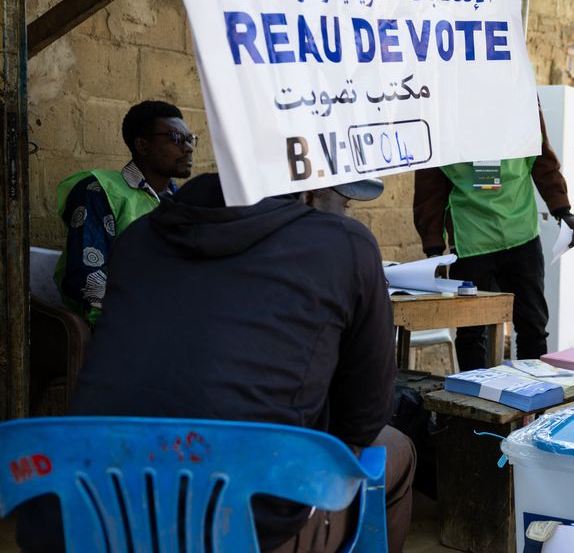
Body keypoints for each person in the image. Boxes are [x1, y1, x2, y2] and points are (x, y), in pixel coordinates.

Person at [19, 174, 415, 552]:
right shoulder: (344, 242)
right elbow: (363, 420)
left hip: (91, 514)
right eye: (343, 203)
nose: (345, 215)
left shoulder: (138, 237)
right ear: (307, 192)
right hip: (244, 528)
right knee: (395, 448)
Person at [413, 110, 574, 369]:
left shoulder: (521, 95)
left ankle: (532, 405)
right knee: (472, 332)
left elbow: (543, 161)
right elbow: (430, 186)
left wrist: (563, 210)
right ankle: (475, 405)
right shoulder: (445, 106)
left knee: (533, 327)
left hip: (521, 236)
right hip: (471, 241)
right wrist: (434, 248)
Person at [54, 100, 195, 325]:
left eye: (190, 139)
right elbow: (85, 278)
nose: (188, 148)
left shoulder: (185, 204)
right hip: (124, 326)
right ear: (142, 145)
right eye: (176, 138)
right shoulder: (99, 190)